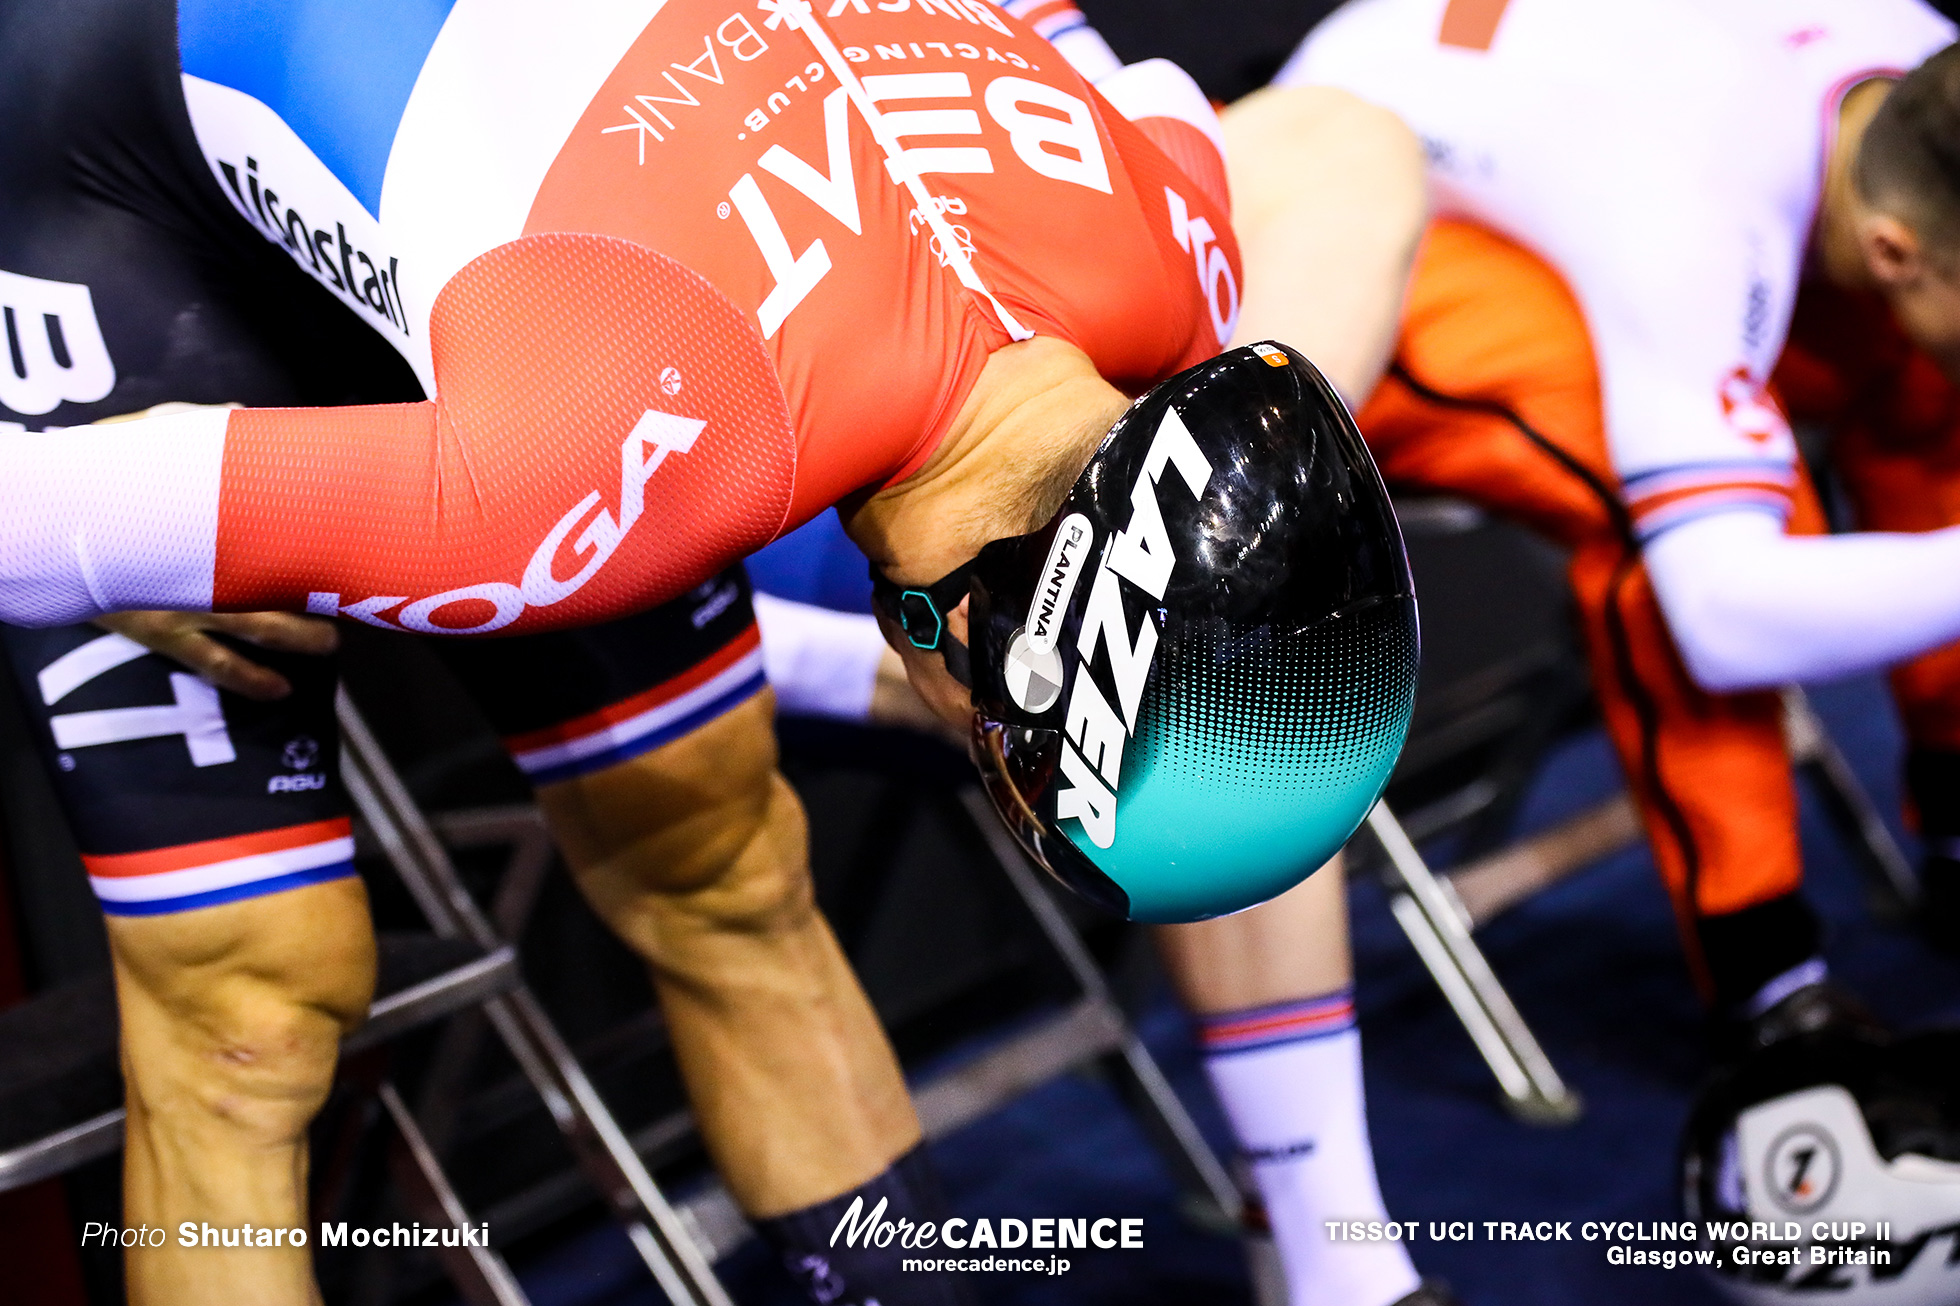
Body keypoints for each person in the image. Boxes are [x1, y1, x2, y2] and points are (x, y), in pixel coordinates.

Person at [0, 0, 1429, 1302]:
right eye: (993, 750)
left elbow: (1139, 74)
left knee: (723, 869)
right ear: (976, 652)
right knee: (245, 1012)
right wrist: (103, 514)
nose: (966, 746)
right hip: (106, 160)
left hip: (578, 274)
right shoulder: (595, 478)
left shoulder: (1178, 233)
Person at [1264, 0, 1960, 1047]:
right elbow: (1722, 615)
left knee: (1928, 389)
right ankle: (1771, 983)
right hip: (1333, 213)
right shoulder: (1693, 219)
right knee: (1671, 502)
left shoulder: (1920, 69)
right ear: (1894, 245)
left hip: (1588, 140)